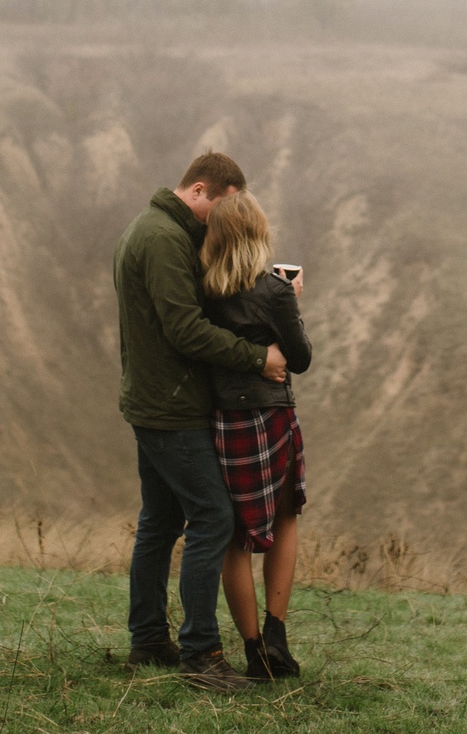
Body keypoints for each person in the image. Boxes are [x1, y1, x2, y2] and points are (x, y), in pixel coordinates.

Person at [112, 150, 287, 693]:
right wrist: (259, 357)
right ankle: (201, 655)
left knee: (160, 522)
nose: (225, 221)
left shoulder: (155, 227)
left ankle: (147, 639)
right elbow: (185, 329)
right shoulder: (164, 239)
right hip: (172, 408)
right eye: (225, 208)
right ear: (202, 190)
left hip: (153, 399)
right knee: (212, 518)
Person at [199, 191, 312, 681]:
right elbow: (301, 359)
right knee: (285, 516)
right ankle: (277, 635)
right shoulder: (274, 291)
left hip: (226, 421)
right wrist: (293, 302)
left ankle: (252, 651)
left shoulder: (203, 292)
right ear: (258, 235)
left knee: (236, 539)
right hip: (273, 416)